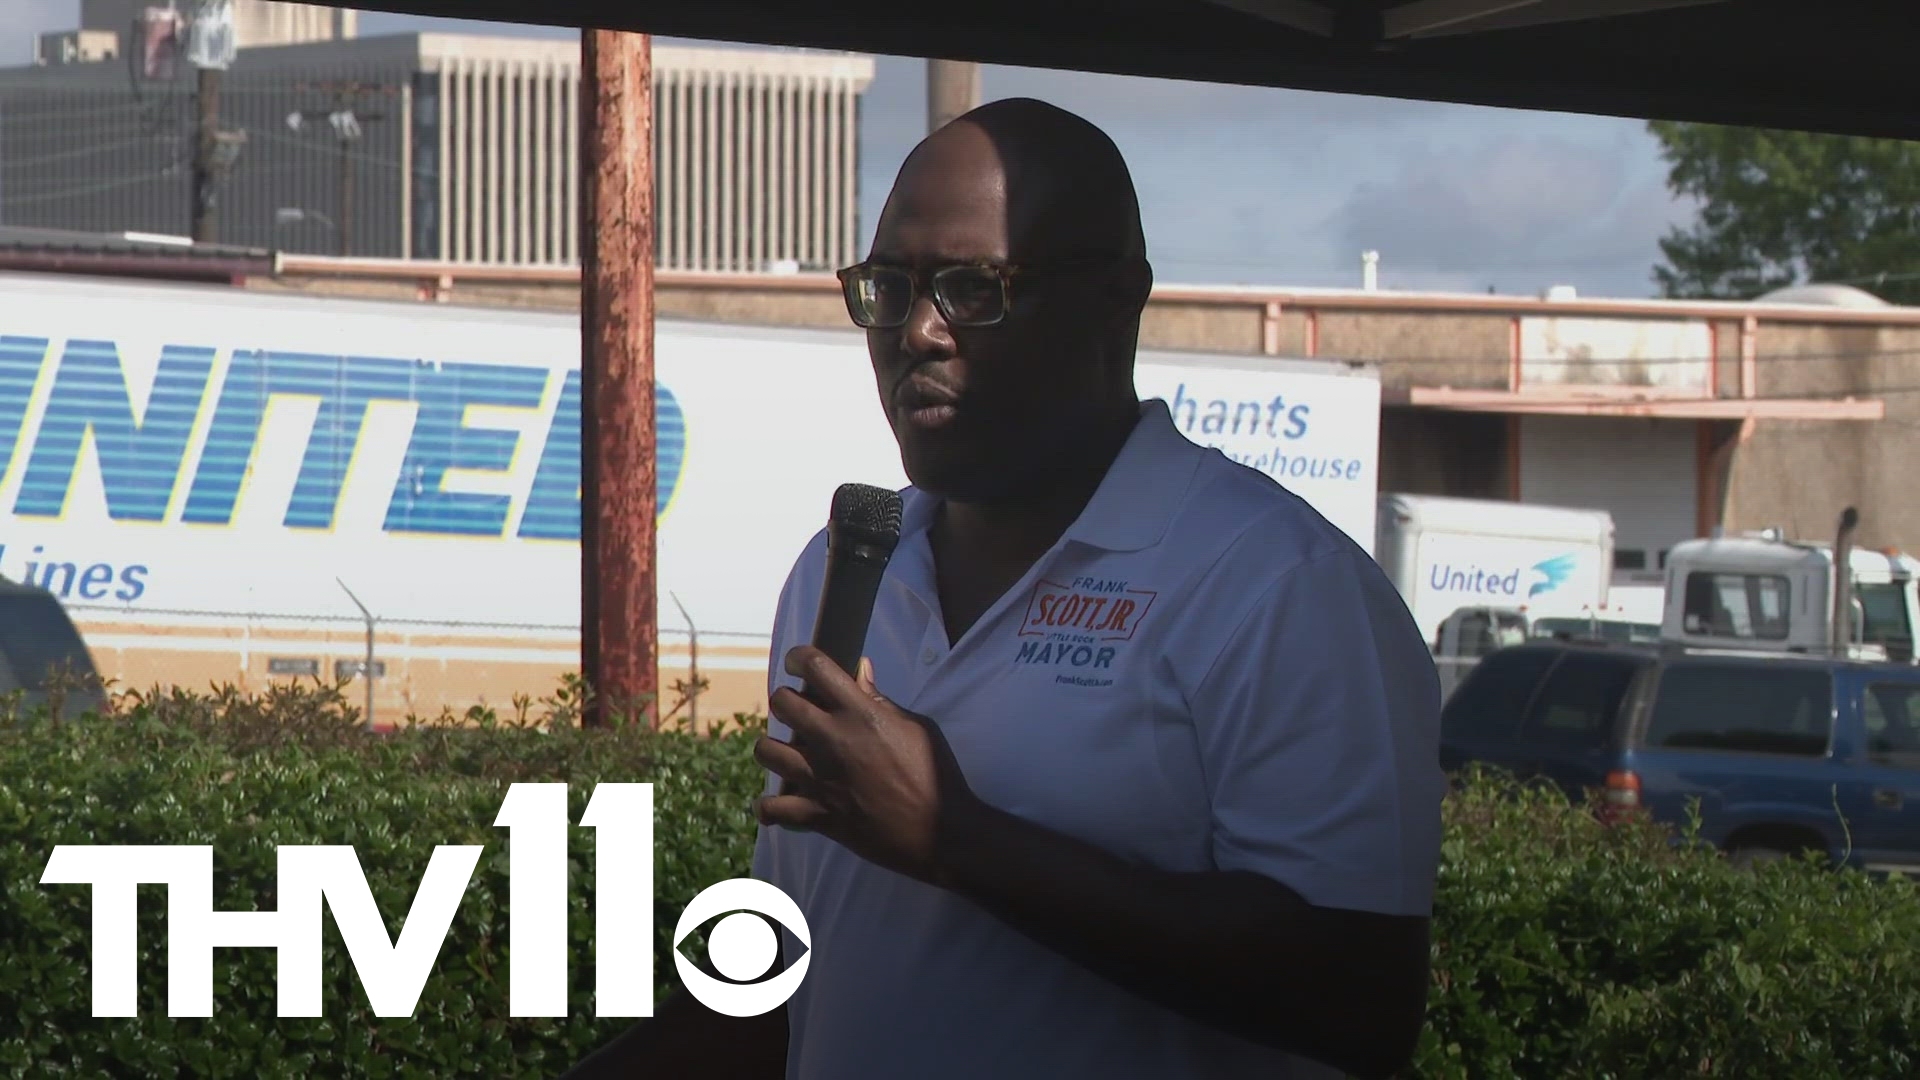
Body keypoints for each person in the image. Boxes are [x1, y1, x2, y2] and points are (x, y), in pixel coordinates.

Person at [560, 96, 1444, 1080]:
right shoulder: (842, 567)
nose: (919, 333)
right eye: (889, 287)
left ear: (1118, 299)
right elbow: (792, 977)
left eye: (974, 288)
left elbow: (1362, 999)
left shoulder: (1277, 586)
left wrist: (954, 837)